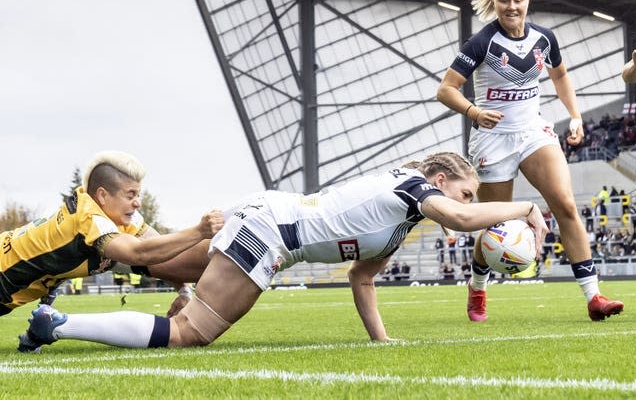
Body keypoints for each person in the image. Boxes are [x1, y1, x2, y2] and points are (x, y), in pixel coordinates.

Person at [23, 152, 548, 350]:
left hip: (268, 217)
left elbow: (361, 279)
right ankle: (58, 322)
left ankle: (112, 233)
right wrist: (521, 209)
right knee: (189, 336)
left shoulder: (403, 216)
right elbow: (458, 217)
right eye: (466, 191)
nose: (469, 204)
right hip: (272, 231)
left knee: (154, 260)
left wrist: (383, 343)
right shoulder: (414, 187)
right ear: (438, 179)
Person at [436, 0, 624, 322]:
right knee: (495, 223)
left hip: (534, 132)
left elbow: (560, 75)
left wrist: (575, 115)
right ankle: (478, 286)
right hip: (492, 139)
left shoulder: (544, 38)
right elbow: (445, 89)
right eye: (504, 0)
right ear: (495, 3)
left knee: (566, 204)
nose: (511, 6)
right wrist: (473, 110)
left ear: (528, 0)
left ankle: (594, 297)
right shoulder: (482, 42)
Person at [1, 150, 223, 351]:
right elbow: (139, 254)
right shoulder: (91, 218)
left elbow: (163, 252)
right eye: (130, 195)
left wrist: (184, 290)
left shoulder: (114, 217)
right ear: (103, 196)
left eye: (139, 195)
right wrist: (199, 231)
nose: (137, 203)